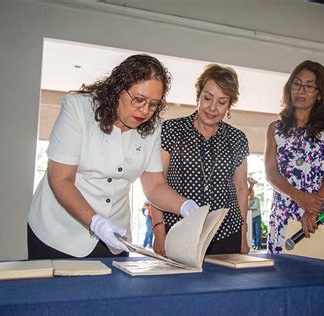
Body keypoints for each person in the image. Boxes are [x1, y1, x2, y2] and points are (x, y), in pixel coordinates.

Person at [27, 54, 199, 259]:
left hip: (115, 238)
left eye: (153, 104)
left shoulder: (153, 128)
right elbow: (60, 178)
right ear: (118, 89)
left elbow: (154, 185)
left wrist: (185, 206)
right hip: (59, 232)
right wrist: (96, 222)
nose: (145, 111)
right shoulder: (78, 109)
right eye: (139, 100)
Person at [151, 64, 250, 256]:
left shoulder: (237, 138)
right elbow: (156, 184)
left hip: (226, 233)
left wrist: (243, 235)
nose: (212, 108)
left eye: (222, 102)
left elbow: (241, 188)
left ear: (229, 105)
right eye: (207, 98)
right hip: (178, 230)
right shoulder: (171, 130)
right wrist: (159, 231)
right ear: (198, 96)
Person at [264, 60, 324, 253]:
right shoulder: (275, 128)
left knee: (320, 274)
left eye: (310, 86)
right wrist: (298, 197)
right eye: (297, 84)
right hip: (284, 212)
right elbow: (270, 172)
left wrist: (312, 208)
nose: (301, 90)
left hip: (318, 216)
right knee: (281, 276)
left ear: (319, 94)